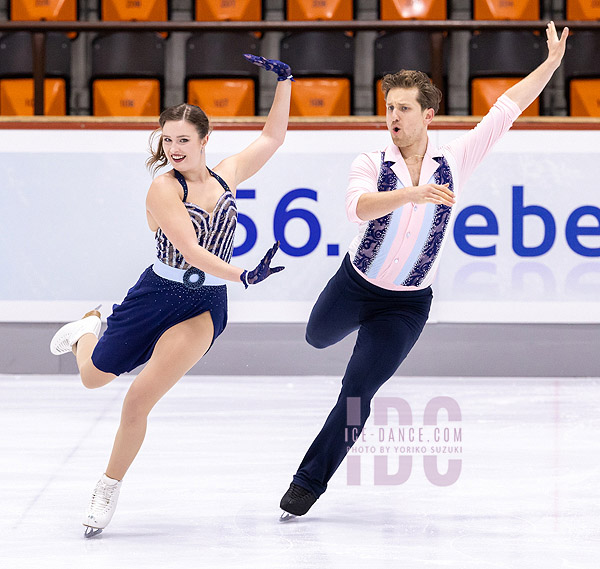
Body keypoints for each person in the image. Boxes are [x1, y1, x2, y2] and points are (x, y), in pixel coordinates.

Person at [279, 22, 569, 520]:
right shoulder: (371, 159)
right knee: (316, 337)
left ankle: (309, 482)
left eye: (403, 108)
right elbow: (357, 208)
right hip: (355, 284)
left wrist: (549, 65)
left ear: (427, 114)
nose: (393, 115)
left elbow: (506, 109)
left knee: (358, 393)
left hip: (407, 303)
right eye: (389, 107)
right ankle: (337, 343)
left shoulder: (454, 159)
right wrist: (410, 193)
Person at [50, 54, 293, 537]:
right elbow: (192, 250)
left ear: (205, 141)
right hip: (156, 292)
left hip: (203, 307)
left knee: (138, 400)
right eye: (168, 139)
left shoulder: (227, 175)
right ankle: (88, 328)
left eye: (184, 139)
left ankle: (107, 487)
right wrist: (243, 275)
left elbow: (272, 138)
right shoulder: (163, 188)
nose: (175, 147)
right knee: (93, 379)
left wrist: (285, 82)